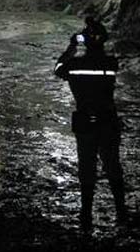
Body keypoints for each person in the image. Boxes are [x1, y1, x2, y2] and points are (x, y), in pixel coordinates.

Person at [53, 16, 128, 232]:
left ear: (84, 41)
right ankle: (121, 212)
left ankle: (86, 215)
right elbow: (106, 60)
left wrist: (72, 46)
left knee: (87, 169)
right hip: (108, 120)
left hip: (85, 121)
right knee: (113, 164)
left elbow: (58, 68)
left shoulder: (74, 65)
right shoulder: (111, 63)